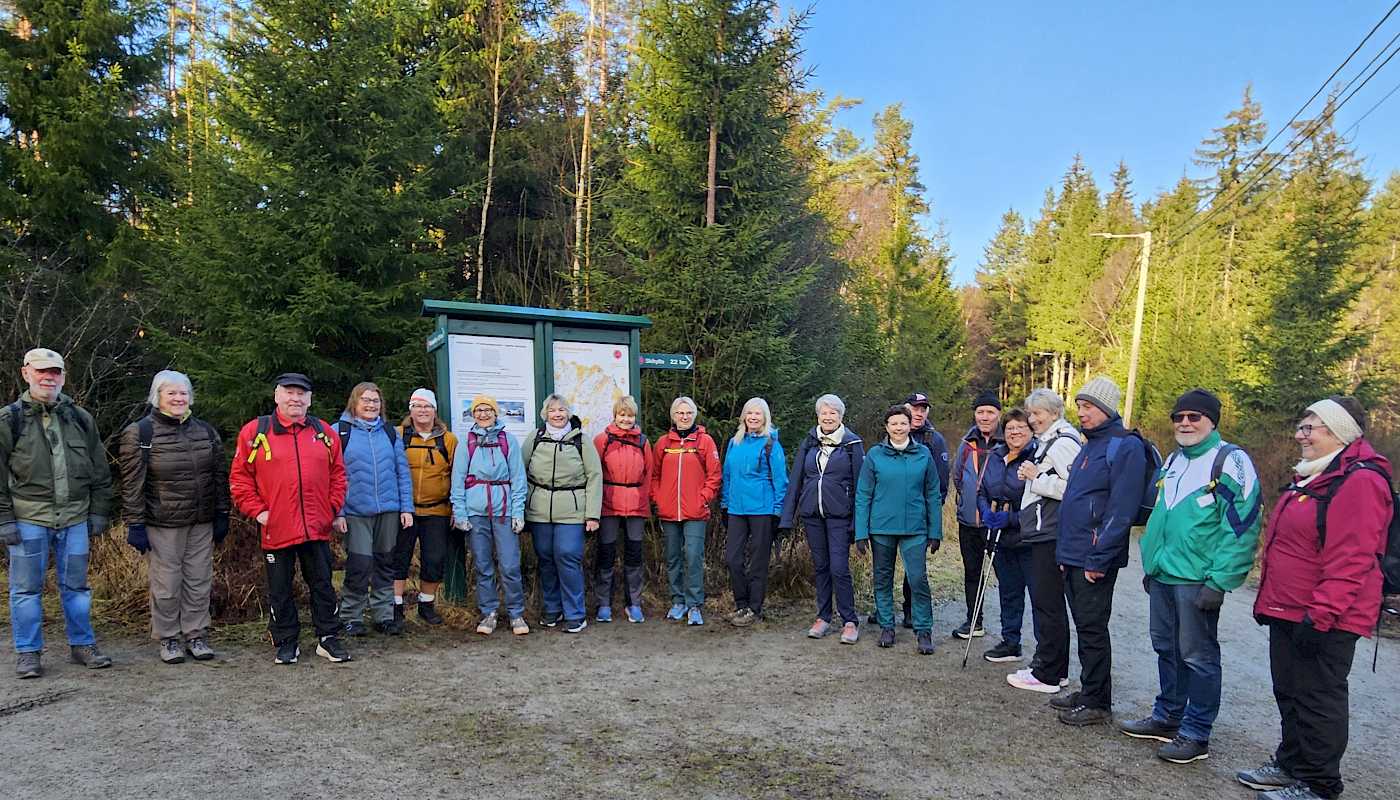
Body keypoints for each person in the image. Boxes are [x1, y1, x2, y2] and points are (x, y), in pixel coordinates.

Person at [1236, 397, 1392, 800]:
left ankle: (1321, 784)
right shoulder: (1314, 475)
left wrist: (1321, 614)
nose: (1300, 435)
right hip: (1290, 607)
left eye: (1311, 428)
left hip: (1327, 615)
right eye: (1301, 426)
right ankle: (1291, 766)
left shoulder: (1359, 481)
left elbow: (1353, 556)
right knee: (1289, 690)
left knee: (1318, 697)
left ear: (1339, 433)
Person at [1120, 389, 1262, 765]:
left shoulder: (1230, 461)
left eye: (1194, 417)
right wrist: (1153, 564)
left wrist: (1220, 580)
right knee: (1166, 648)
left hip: (1198, 579)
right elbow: (1162, 516)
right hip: (1164, 574)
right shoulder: (1174, 459)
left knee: (1198, 656)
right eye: (1179, 417)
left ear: (1212, 421)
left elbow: (1243, 526)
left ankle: (1197, 733)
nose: (1185, 423)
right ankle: (1168, 715)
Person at [3, 348, 115, 678]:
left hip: (75, 518)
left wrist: (98, 512)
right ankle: (28, 652)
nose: (48, 377)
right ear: (26, 373)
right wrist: (4, 519)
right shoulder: (9, 420)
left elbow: (99, 470)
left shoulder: (80, 418)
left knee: (77, 587)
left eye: (54, 371)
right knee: (25, 589)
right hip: (28, 519)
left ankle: (82, 645)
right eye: (41, 371)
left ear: (63, 376)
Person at [229, 373, 351, 665]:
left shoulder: (323, 432)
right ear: (277, 396)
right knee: (280, 588)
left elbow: (339, 475)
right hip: (277, 527)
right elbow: (239, 478)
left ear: (309, 400)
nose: (295, 399)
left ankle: (328, 638)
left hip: (316, 527)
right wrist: (259, 511)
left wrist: (330, 508)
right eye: (289, 393)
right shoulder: (255, 432)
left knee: (322, 583)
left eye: (301, 394)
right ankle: (286, 641)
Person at [1051, 376, 1149, 726]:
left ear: (1107, 408)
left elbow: (1120, 510)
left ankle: (1097, 704)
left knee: (1093, 628)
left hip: (1094, 557)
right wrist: (1065, 555)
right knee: (1084, 625)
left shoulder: (1125, 447)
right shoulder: (1090, 445)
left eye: (1088, 407)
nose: (1082, 413)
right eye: (1079, 406)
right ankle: (1090, 690)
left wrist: (1098, 557)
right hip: (1074, 554)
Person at [117, 370, 230, 664]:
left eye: (183, 393)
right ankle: (168, 637)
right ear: (158, 397)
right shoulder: (141, 433)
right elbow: (132, 483)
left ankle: (196, 634)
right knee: (167, 584)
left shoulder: (205, 431)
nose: (179, 398)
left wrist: (222, 513)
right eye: (171, 393)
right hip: (162, 522)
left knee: (198, 580)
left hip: (201, 521)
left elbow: (219, 475)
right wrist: (135, 524)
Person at [1007, 388, 1082, 694]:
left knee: (1047, 603)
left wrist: (1036, 477)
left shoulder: (1063, 442)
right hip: (1044, 530)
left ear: (1054, 413)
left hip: (1051, 532)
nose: (1033, 419)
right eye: (1031, 413)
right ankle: (1054, 669)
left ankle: (1048, 673)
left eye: (1038, 414)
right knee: (1046, 602)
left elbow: (1074, 489)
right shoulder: (1050, 440)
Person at [854, 405, 943, 655]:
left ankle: (923, 630)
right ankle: (886, 627)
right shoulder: (875, 455)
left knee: (917, 579)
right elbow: (863, 494)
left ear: (909, 426)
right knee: (883, 579)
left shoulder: (923, 454)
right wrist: (861, 532)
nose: (898, 428)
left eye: (903, 423)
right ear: (886, 427)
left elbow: (932, 493)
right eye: (893, 423)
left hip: (915, 528)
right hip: (881, 528)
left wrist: (935, 531)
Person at [780, 394, 865, 643]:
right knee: (821, 567)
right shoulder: (810, 442)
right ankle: (823, 617)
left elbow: (862, 486)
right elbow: (796, 479)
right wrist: (787, 517)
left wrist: (858, 524)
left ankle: (849, 620)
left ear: (841, 416)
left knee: (839, 568)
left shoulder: (852, 444)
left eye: (833, 413)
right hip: (812, 515)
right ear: (818, 416)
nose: (828, 417)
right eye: (824, 413)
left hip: (840, 516)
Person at [337, 382, 415, 636]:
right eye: (366, 400)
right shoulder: (339, 432)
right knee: (359, 565)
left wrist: (406, 507)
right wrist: (337, 511)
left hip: (389, 510)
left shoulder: (390, 433)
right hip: (356, 510)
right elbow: (331, 475)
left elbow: (402, 472)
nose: (371, 405)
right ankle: (351, 616)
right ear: (354, 402)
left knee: (385, 563)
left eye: (375, 401)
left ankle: (383, 615)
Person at [523, 394, 603, 634]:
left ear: (568, 413)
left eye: (561, 410)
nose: (557, 414)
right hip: (539, 511)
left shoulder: (581, 441)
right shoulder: (535, 438)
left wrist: (592, 515)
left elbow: (595, 477)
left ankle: (575, 613)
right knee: (546, 558)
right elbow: (520, 470)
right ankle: (552, 609)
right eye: (552, 410)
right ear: (545, 414)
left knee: (567, 556)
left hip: (572, 510)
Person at [451, 394, 529, 636]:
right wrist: (460, 512)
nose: (483, 414)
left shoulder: (509, 441)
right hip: (476, 513)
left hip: (504, 511)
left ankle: (516, 613)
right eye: (478, 410)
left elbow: (518, 479)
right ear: (473, 415)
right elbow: (458, 480)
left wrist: (518, 512)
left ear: (496, 413)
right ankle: (489, 612)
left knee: (509, 564)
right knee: (483, 565)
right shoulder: (467, 443)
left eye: (488, 410)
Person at [652, 396, 721, 626]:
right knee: (672, 557)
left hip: (695, 512)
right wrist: (658, 499)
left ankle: (694, 605)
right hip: (669, 512)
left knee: (692, 556)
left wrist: (703, 498)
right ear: (673, 416)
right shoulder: (663, 443)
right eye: (680, 413)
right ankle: (677, 601)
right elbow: (653, 476)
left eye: (688, 413)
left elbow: (714, 476)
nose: (684, 417)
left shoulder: (705, 442)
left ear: (694, 415)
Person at [720, 397, 788, 627]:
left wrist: (778, 513)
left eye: (758, 413)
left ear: (765, 417)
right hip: (737, 509)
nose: (753, 417)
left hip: (762, 510)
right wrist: (724, 504)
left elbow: (781, 481)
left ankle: (754, 608)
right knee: (733, 559)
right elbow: (727, 476)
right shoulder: (735, 442)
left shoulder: (771, 444)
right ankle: (741, 604)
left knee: (758, 562)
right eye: (750, 413)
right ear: (744, 416)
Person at [975, 407, 1034, 664]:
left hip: (1030, 538)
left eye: (1021, 427)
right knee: (1009, 591)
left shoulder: (1037, 458)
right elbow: (981, 491)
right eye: (1010, 428)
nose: (1015, 432)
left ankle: (1047, 654)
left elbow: (1041, 503)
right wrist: (986, 511)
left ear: (1031, 431)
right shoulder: (995, 456)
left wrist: (1012, 518)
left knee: (1040, 597)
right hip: (1000, 537)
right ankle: (1011, 642)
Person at [395, 388, 458, 626]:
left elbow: (456, 474)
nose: (422, 411)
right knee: (399, 557)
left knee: (434, 558)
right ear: (410, 410)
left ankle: (426, 604)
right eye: (417, 406)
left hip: (437, 510)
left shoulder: (448, 440)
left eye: (427, 406)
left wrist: (454, 507)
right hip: (405, 510)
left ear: (435, 410)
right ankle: (396, 606)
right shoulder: (398, 435)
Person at [593, 395, 652, 624]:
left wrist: (643, 500)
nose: (626, 419)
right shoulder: (602, 440)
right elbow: (595, 473)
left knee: (634, 556)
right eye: (622, 415)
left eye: (630, 415)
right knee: (606, 555)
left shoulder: (642, 442)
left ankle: (633, 604)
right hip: (609, 504)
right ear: (615, 415)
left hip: (635, 505)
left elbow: (649, 474)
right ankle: (604, 604)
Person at [895, 391, 951, 630]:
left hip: (920, 513)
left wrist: (933, 515)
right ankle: (882, 608)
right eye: (915, 408)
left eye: (923, 408)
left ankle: (910, 610)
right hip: (891, 510)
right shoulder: (894, 431)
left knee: (914, 567)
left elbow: (941, 481)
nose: (919, 413)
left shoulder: (934, 440)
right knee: (884, 563)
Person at [951, 390, 1004, 639]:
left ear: (999, 415)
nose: (985, 416)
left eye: (990, 412)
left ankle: (1009, 633)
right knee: (972, 571)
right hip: (970, 522)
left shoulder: (1008, 442)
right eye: (980, 412)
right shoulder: (966, 443)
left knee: (1005, 576)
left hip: (999, 523)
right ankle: (974, 622)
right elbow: (958, 478)